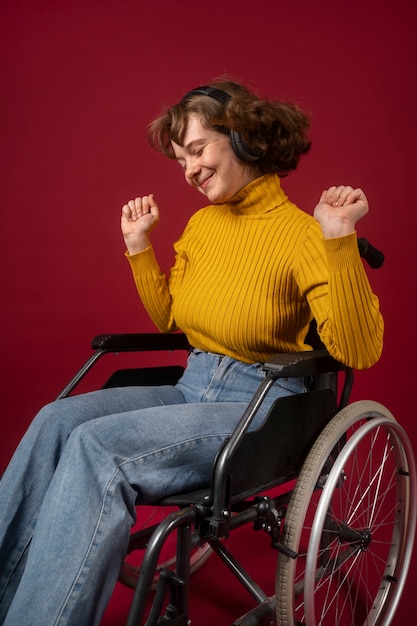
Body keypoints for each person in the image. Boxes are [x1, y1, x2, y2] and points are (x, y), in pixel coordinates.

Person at [0, 79, 383, 625]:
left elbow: (357, 349)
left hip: (259, 405)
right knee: (55, 421)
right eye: (181, 159)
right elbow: (174, 320)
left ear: (244, 139)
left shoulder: (304, 234)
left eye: (197, 150)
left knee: (96, 448)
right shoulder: (203, 225)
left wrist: (339, 240)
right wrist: (139, 249)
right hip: (192, 385)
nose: (188, 169)